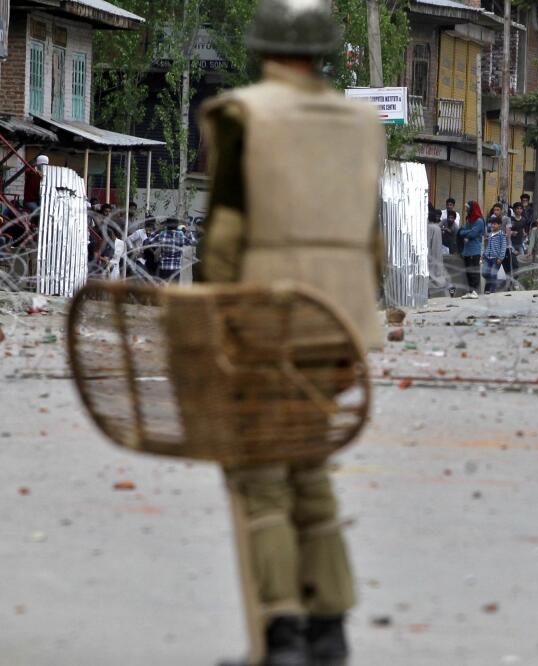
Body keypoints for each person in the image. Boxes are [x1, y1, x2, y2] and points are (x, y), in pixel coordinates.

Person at [198, 3, 385, 663]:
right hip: (338, 327)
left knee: (261, 478)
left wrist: (208, 324)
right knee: (311, 468)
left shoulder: (244, 116)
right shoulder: (364, 123)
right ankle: (329, 628)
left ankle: (281, 634)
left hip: (264, 322)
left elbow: (224, 237)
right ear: (328, 54)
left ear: (260, 49)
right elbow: (373, 242)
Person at [146, 217, 196, 283]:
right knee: (173, 290)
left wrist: (158, 230)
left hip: (163, 268)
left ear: (167, 225)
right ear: (177, 225)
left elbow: (148, 241)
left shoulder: (162, 235)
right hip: (175, 269)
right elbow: (194, 242)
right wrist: (189, 232)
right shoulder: (181, 236)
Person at [458, 201, 486, 299]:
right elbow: (460, 232)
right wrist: (467, 232)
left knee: (473, 271)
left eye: (468, 208)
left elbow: (473, 234)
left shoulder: (479, 221)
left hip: (474, 250)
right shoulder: (470, 220)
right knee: (468, 271)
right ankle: (470, 291)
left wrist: (467, 233)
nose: (466, 210)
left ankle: (474, 291)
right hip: (467, 250)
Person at [482, 215, 508, 294]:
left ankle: (492, 291)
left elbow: (503, 247)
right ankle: (489, 285)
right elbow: (488, 245)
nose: (493, 225)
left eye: (495, 224)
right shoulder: (490, 234)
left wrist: (501, 258)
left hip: (496, 259)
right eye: (492, 224)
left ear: (499, 225)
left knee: (493, 274)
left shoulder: (501, 235)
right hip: (487, 258)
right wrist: (483, 254)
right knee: (484, 273)